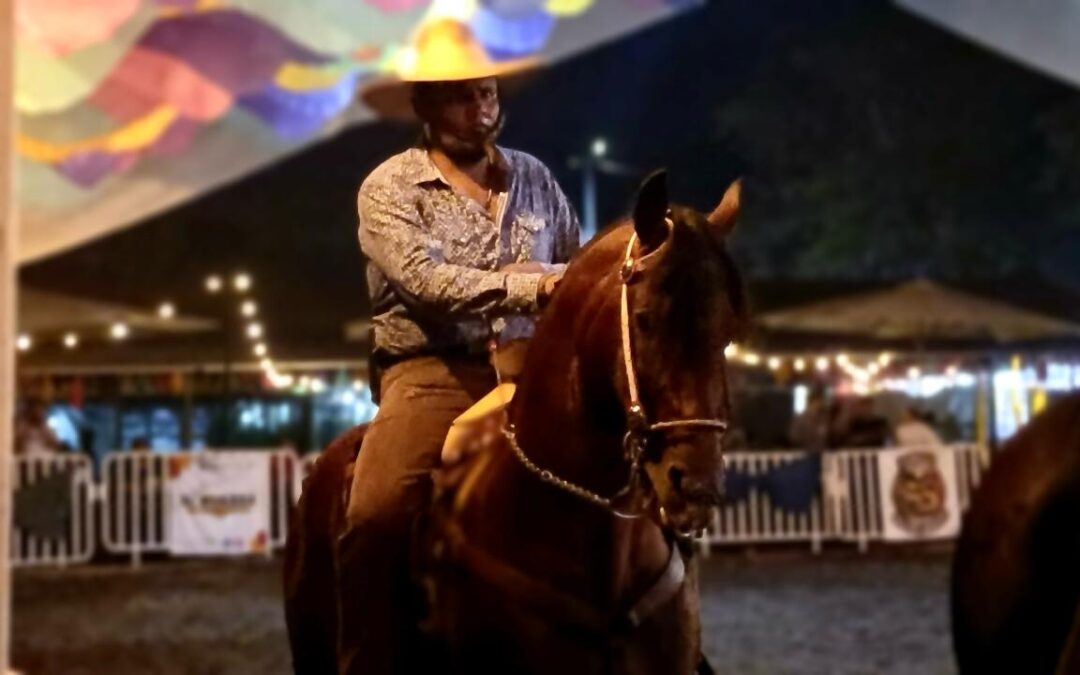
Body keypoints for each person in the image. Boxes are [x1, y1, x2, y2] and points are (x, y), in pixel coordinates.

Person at [337, 19, 579, 674]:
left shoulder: (536, 178)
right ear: (423, 107)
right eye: (461, 98)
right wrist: (533, 288)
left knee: (632, 476)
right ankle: (367, 660)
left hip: (532, 368)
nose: (481, 110)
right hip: (431, 369)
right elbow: (426, 285)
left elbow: (574, 267)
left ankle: (668, 637)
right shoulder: (389, 189)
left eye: (488, 94)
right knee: (378, 511)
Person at [790, 387, 829, 452]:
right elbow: (794, 437)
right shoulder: (800, 419)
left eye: (820, 402)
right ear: (810, 402)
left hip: (824, 454)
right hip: (803, 453)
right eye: (816, 402)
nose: (818, 405)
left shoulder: (825, 418)